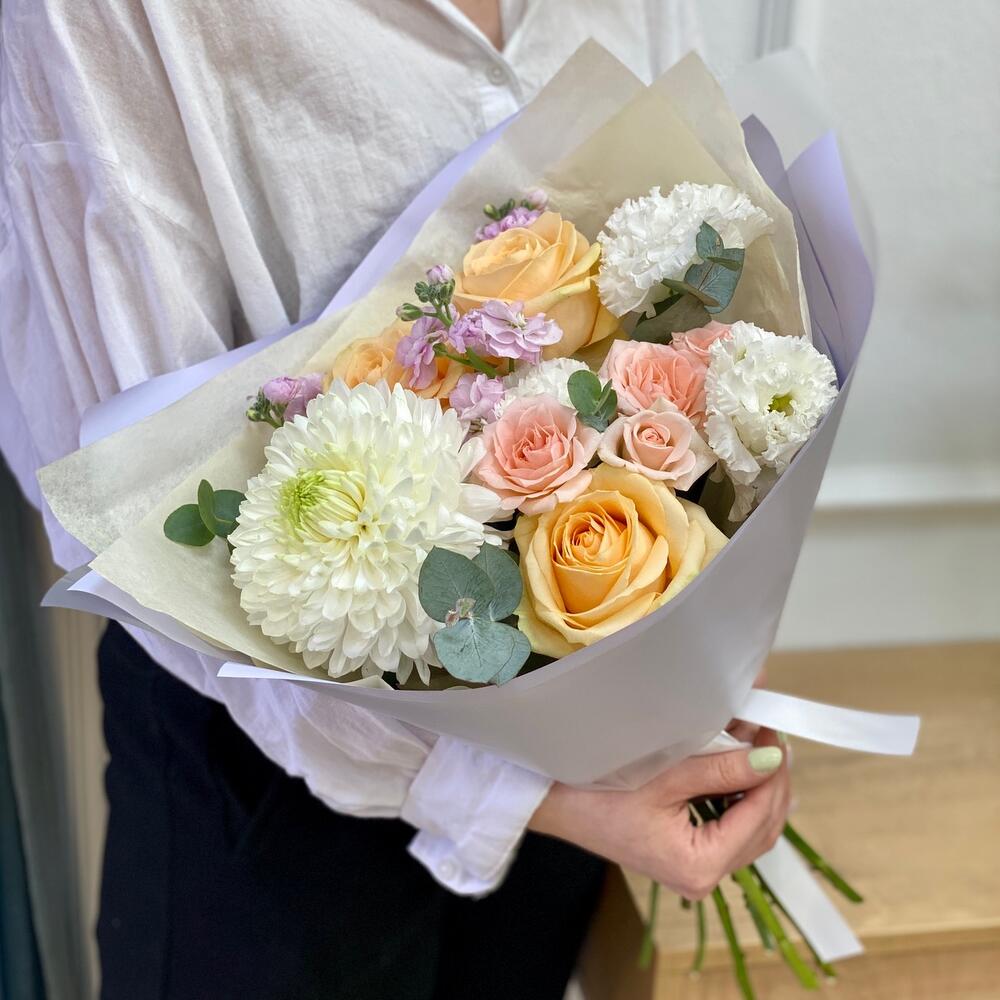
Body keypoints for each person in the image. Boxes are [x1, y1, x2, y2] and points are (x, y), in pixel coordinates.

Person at [0, 1, 790, 997]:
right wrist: (517, 792)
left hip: (579, 738)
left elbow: (671, 209)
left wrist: (695, 661)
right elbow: (135, 481)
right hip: (270, 790)